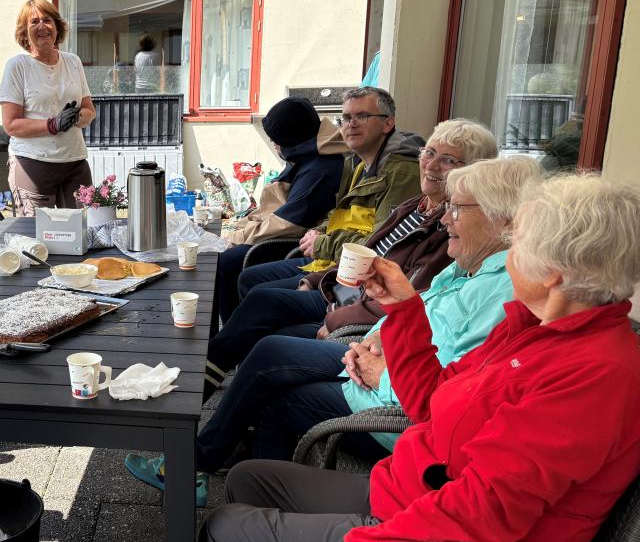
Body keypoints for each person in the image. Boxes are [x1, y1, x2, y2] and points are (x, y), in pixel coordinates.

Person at [98, 172, 640, 542]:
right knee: (249, 479)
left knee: (225, 534)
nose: (507, 253)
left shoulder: (594, 375)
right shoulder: (536, 331)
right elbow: (431, 401)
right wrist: (404, 309)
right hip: (413, 504)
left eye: (517, 243)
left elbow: (487, 512)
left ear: (554, 272)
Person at [126, 156, 535, 505]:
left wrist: (377, 366)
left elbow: (445, 394)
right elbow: (412, 314)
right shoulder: (468, 265)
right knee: (266, 337)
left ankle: (213, 476)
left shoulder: (502, 292)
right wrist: (370, 341)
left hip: (392, 406)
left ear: (503, 217)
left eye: (458, 209)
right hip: (372, 357)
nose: (446, 217)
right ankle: (226, 482)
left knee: (272, 365)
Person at [206, 118, 497, 392]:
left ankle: (205, 389)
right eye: (429, 153)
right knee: (259, 297)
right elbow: (367, 248)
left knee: (267, 319)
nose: (431, 165)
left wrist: (335, 318)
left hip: (360, 312)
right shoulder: (414, 205)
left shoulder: (454, 231)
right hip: (343, 290)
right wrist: (321, 278)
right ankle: (211, 381)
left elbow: (409, 299)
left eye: (448, 160)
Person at [224, 86, 423, 322]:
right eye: (346, 117)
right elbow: (339, 213)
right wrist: (319, 231)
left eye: (362, 116)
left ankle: (225, 353)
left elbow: (380, 243)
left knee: (256, 294)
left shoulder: (401, 172)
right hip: (329, 257)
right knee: (251, 281)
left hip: (350, 274)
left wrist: (323, 247)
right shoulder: (358, 163)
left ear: (388, 124)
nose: (351, 124)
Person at [214, 97, 346, 321]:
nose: (275, 146)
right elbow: (276, 207)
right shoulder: (308, 155)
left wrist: (237, 236)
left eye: (276, 140)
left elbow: (288, 223)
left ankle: (231, 328)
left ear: (290, 139)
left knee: (225, 261)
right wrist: (241, 226)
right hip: (292, 234)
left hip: (294, 243)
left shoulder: (320, 168)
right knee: (224, 254)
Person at [0, 0, 97, 215]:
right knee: (37, 238)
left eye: (47, 20)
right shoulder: (17, 66)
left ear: (57, 27)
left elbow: (90, 110)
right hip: (32, 162)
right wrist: (53, 124)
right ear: (24, 32)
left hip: (74, 160)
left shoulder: (73, 62)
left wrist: (77, 117)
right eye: (34, 22)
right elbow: (11, 125)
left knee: (82, 229)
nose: (42, 26)